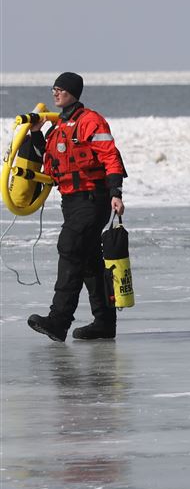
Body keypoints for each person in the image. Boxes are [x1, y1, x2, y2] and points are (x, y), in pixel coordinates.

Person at [26, 72, 127, 342]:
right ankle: (105, 324)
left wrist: (116, 193)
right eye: (54, 89)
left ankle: (58, 320)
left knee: (69, 247)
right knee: (89, 262)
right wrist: (36, 135)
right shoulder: (58, 126)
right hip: (70, 201)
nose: (55, 93)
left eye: (60, 89)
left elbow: (110, 156)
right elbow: (47, 162)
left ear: (73, 92)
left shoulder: (90, 121)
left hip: (93, 199)